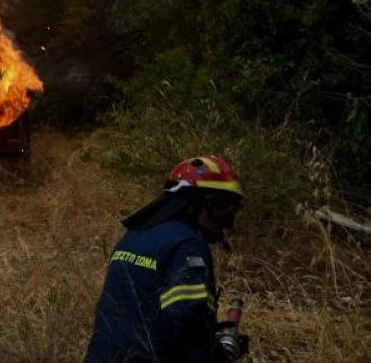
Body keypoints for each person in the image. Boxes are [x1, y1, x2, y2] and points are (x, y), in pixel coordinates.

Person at [84, 155, 250, 363]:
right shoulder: (189, 246)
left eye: (230, 209)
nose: (225, 219)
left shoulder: (134, 235)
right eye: (219, 206)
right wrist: (219, 356)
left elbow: (142, 311)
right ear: (192, 202)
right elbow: (190, 325)